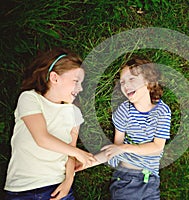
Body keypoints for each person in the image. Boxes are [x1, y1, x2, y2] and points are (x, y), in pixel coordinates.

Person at [4, 48, 96, 200]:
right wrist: (80, 153)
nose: (80, 89)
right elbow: (41, 138)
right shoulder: (30, 98)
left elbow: (70, 152)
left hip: (56, 186)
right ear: (55, 78)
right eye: (76, 81)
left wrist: (69, 180)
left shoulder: (74, 113)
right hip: (21, 189)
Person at [92, 57, 172, 200]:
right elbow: (116, 148)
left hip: (151, 180)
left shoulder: (162, 111)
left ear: (148, 81)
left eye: (131, 79)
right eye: (122, 82)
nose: (125, 85)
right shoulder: (124, 111)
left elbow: (157, 147)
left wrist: (125, 148)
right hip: (126, 179)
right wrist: (86, 163)